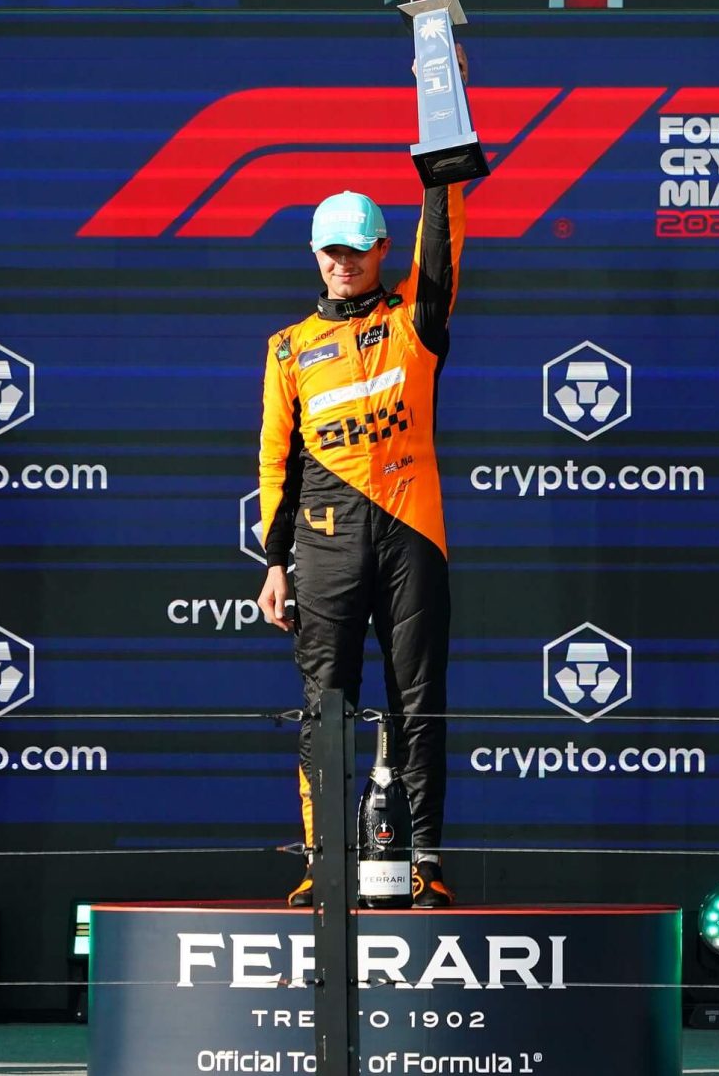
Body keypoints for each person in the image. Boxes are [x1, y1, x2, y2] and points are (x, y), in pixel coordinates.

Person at [255, 51, 468, 912]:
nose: (342, 262)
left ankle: (425, 863)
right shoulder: (286, 348)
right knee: (325, 709)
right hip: (324, 540)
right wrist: (275, 564)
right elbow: (275, 460)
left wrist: (441, 174)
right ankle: (323, 864)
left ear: (382, 249)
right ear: (313, 253)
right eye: (329, 250)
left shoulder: (415, 319)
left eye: (357, 248)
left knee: (420, 705)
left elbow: (445, 246)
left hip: (413, 533)